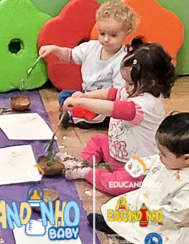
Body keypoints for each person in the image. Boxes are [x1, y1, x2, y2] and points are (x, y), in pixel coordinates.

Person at [87, 112, 189, 244]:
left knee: (166, 242)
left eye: (163, 154)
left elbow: (178, 214)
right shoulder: (172, 160)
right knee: (122, 206)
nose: (159, 156)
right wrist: (139, 164)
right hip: (146, 202)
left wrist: (150, 214)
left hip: (167, 222)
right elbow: (153, 160)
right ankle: (113, 224)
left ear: (187, 159)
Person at [61, 43, 176, 193]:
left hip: (136, 164)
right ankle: (81, 163)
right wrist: (85, 95)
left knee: (115, 185)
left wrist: (80, 103)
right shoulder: (135, 89)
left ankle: (86, 172)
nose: (125, 86)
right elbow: (113, 93)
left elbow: (112, 108)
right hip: (117, 151)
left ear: (151, 82)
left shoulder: (147, 104)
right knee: (98, 140)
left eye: (129, 82)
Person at [39, 0, 138, 127]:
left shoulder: (123, 60)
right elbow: (70, 56)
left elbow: (118, 94)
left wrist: (87, 99)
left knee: (97, 111)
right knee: (65, 95)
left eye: (113, 35)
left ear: (127, 33)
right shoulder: (91, 47)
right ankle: (75, 112)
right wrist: (55, 49)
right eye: (102, 33)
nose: (106, 39)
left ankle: (76, 115)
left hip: (104, 101)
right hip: (86, 93)